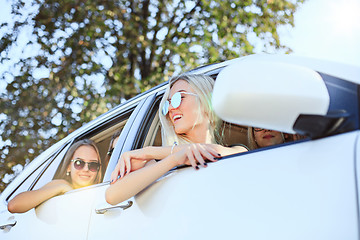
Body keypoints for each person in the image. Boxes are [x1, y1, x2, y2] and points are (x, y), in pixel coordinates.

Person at [106, 74, 248, 205]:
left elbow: (213, 152)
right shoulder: (162, 163)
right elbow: (111, 196)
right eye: (167, 104)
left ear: (206, 100)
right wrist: (174, 159)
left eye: (178, 98)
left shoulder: (237, 150)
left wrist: (149, 151)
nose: (171, 109)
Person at [7, 139, 103, 213]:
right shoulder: (60, 185)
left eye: (93, 165)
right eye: (79, 163)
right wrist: (63, 187)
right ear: (68, 167)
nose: (86, 169)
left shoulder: (102, 192)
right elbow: (13, 205)